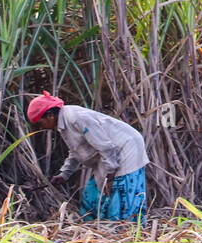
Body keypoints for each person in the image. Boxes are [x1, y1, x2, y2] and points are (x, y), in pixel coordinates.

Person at [27, 93, 150, 224]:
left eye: (40, 123)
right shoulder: (64, 123)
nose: (41, 128)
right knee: (91, 196)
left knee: (121, 193)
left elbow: (105, 145)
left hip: (125, 148)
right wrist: (64, 174)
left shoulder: (76, 118)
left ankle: (126, 230)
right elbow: (76, 150)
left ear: (50, 115)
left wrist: (111, 175)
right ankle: (98, 229)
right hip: (109, 156)